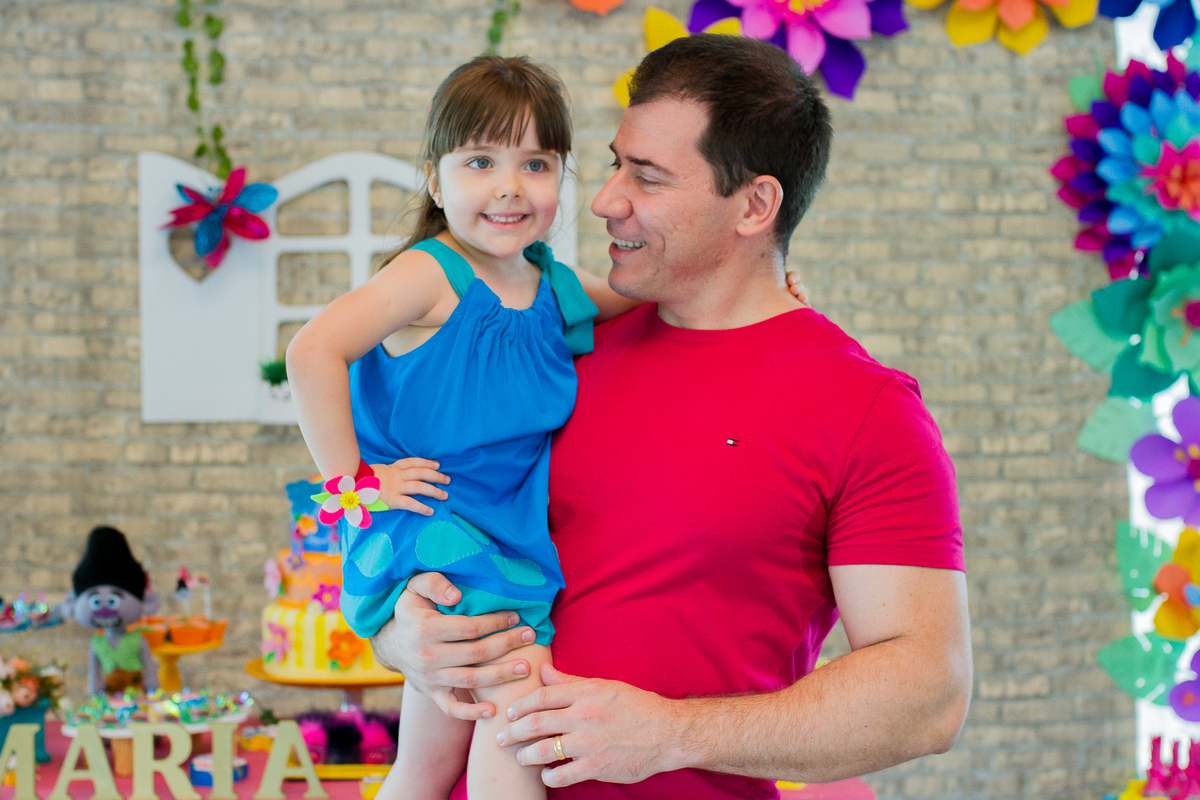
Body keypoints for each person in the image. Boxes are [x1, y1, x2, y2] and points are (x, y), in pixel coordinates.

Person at [368, 34, 972, 800]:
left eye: (646, 178)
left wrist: (669, 734)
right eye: (617, 162)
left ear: (755, 205)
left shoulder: (866, 409)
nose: (604, 198)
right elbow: (419, 519)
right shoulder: (550, 353)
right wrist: (405, 638)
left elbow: (929, 696)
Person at [286, 53, 816, 800]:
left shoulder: (548, 287)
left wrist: (772, 287)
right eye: (480, 162)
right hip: (434, 520)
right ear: (436, 180)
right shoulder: (430, 274)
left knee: (429, 758)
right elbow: (313, 350)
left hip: (497, 533)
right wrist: (354, 484)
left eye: (535, 164)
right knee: (520, 711)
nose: (509, 187)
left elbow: (651, 297)